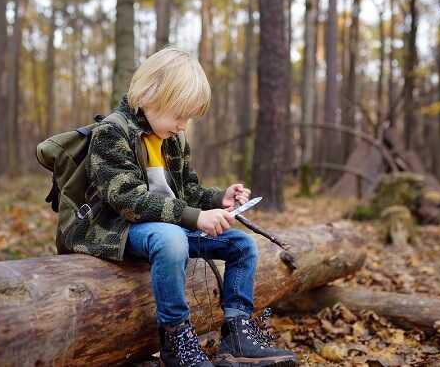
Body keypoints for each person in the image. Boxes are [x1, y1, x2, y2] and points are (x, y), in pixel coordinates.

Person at [82, 47, 297, 367]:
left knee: (241, 245)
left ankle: (237, 335)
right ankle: (176, 338)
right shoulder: (112, 133)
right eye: (179, 115)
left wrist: (216, 199)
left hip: (171, 225)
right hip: (121, 229)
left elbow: (187, 190)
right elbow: (128, 200)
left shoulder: (172, 139)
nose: (183, 125)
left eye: (188, 117)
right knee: (172, 239)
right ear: (149, 95)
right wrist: (194, 218)